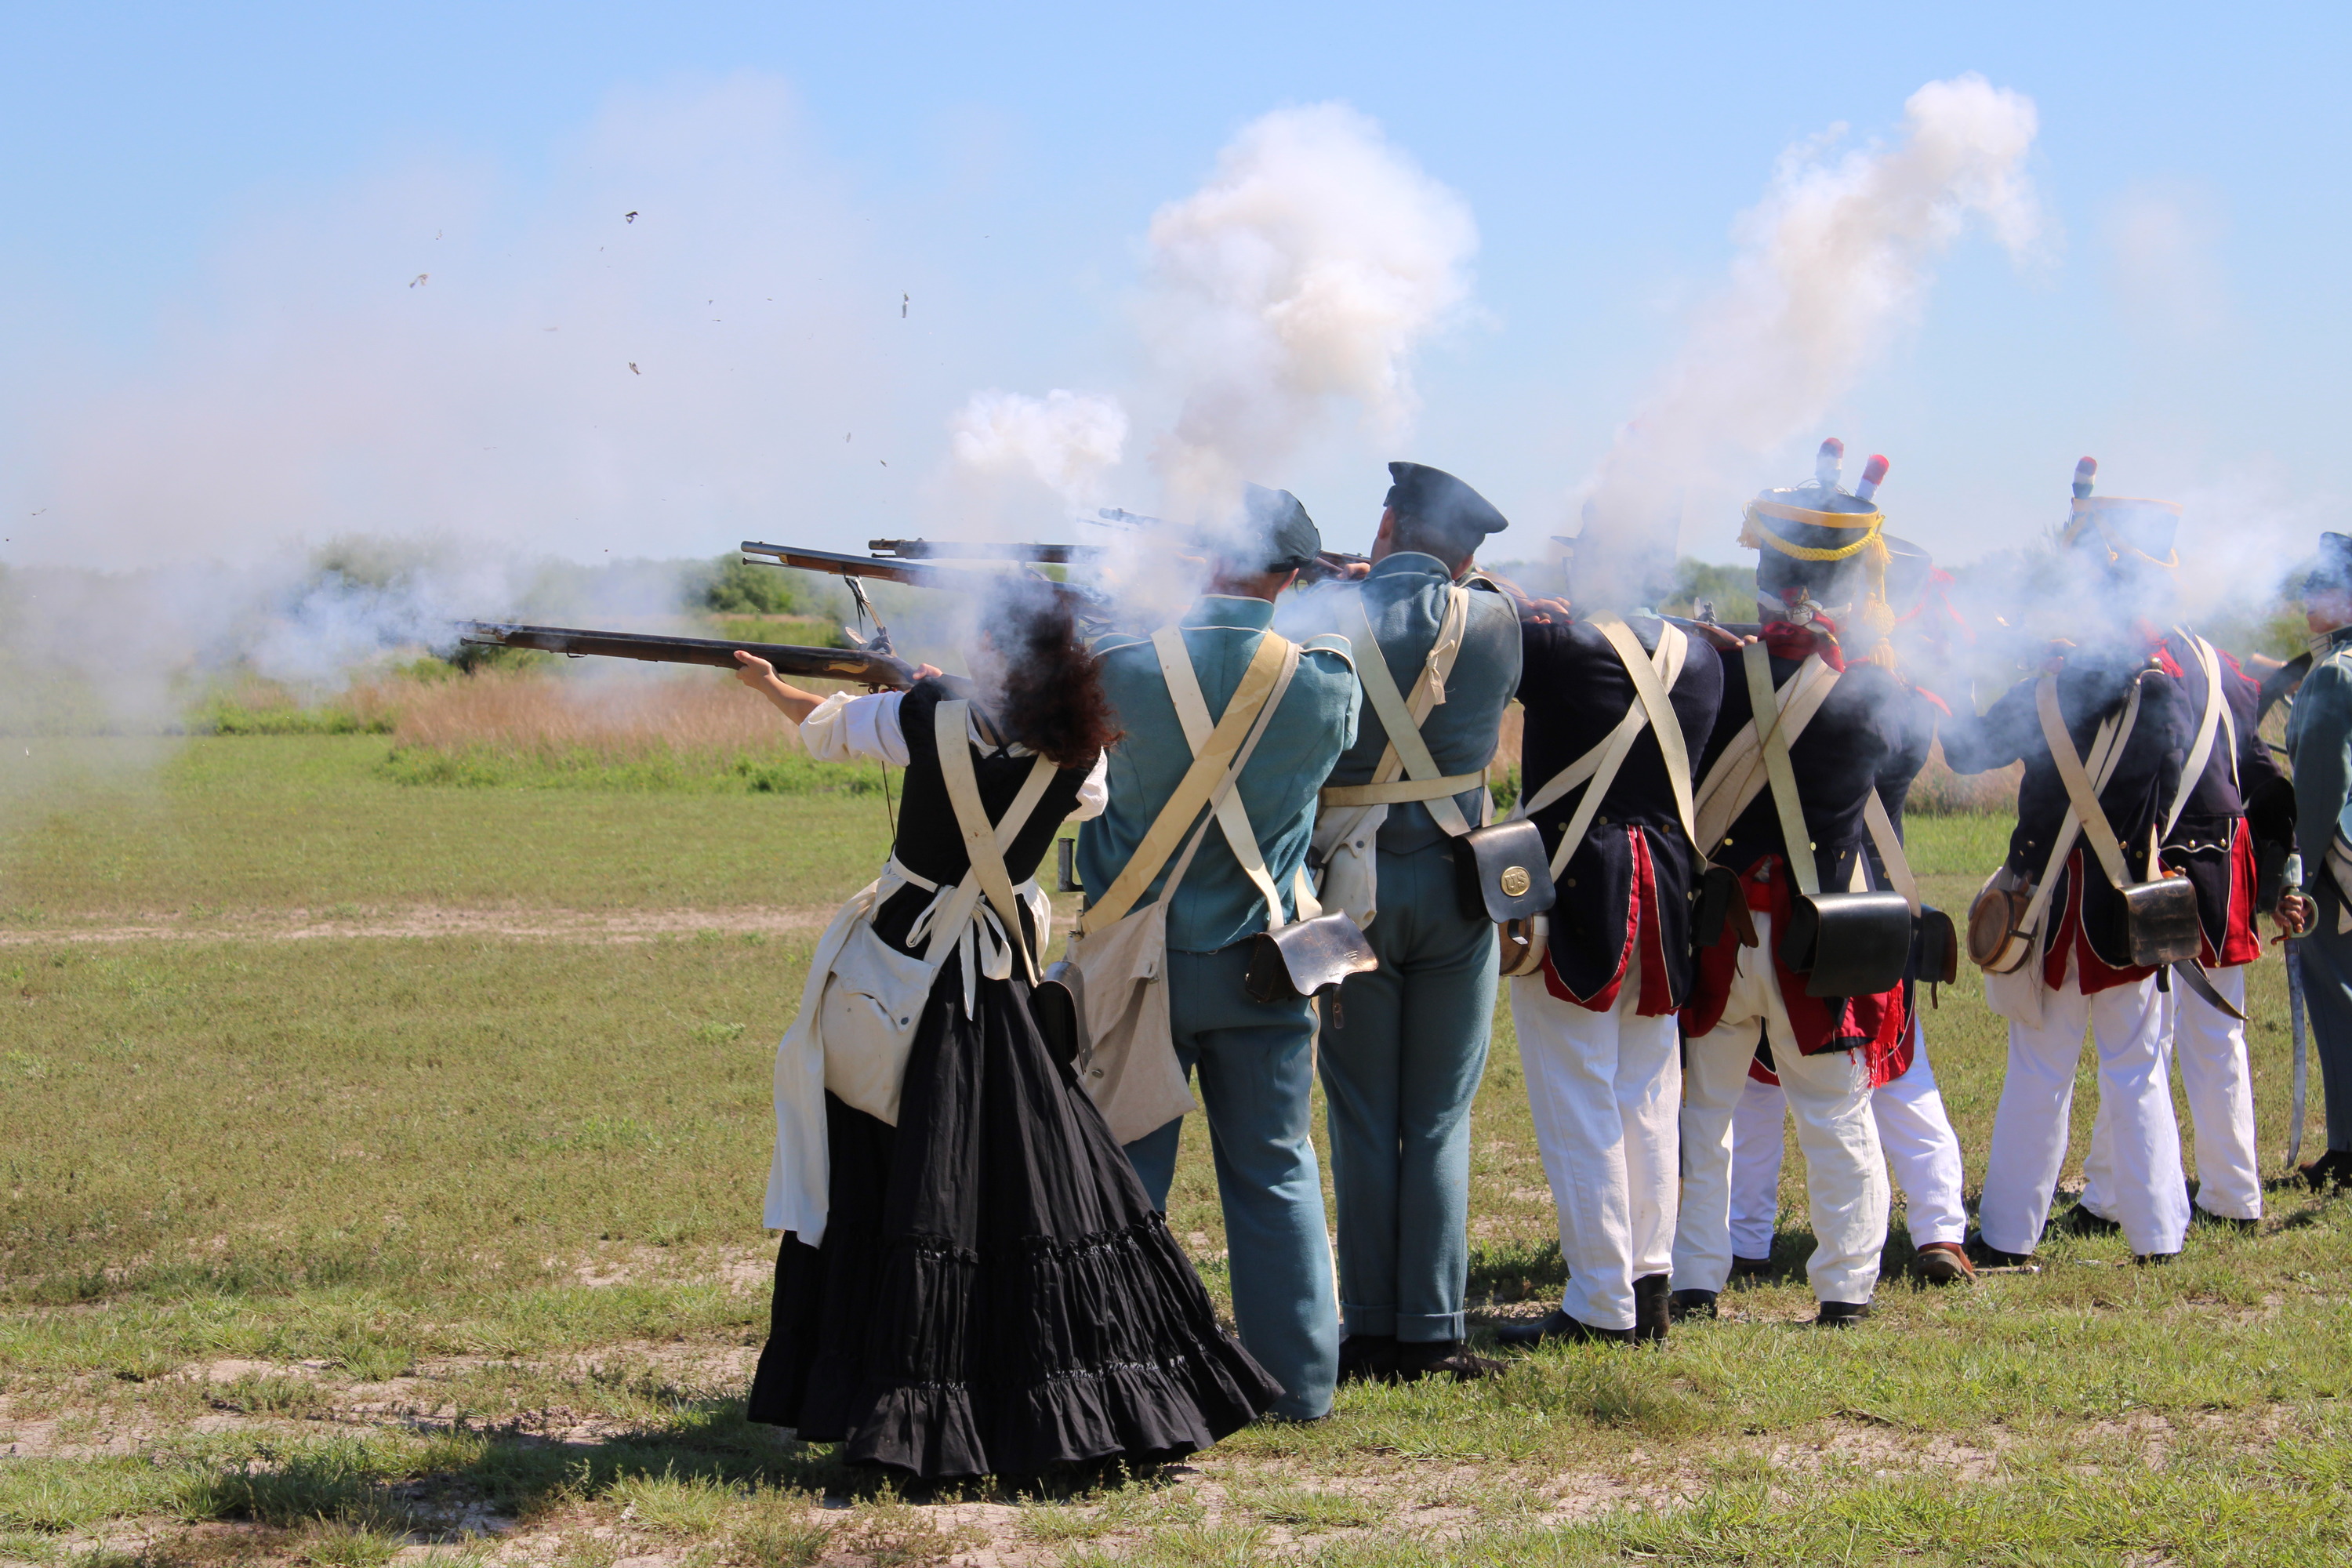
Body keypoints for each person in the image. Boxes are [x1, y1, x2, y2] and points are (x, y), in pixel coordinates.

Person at [737, 590, 1281, 1480]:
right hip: (997, 978)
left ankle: (903, 1402)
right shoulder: (1076, 751)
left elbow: (829, 727)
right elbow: (1086, 803)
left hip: (907, 972)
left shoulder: (930, 709)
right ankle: (1062, 1399)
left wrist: (769, 686)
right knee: (1036, 1187)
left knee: (895, 1178)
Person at [1081, 487, 1360, 1422]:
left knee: (1124, 1178)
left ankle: (1120, 1374)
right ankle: (1301, 1384)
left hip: (1135, 963)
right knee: (1276, 1168)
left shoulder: (1119, 666)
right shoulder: (1327, 677)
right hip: (1264, 955)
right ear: (1291, 578)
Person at [1673, 439, 1929, 1327]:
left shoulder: (1716, 668)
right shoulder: (1875, 691)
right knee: (1835, 1115)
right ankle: (1846, 1288)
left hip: (1724, 924)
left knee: (1704, 1112)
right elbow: (1909, 760)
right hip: (1816, 933)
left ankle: (1696, 1277)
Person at [1945, 460, 2195, 1266]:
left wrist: (1960, 664)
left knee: (2040, 1072)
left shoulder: (2051, 684)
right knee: (2138, 1072)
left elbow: (1967, 749)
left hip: (2055, 905)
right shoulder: (2165, 690)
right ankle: (2158, 1235)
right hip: (2128, 907)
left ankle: (2010, 1233)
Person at [1305, 462, 1521, 1381]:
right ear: (1469, 551)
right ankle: (1432, 1327)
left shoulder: (1321, 614)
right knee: (1437, 1117)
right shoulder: (1500, 621)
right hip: (1457, 882)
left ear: (1386, 524)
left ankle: (1370, 1327)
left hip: (1346, 890)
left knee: (1360, 1113)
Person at [1491, 525, 1723, 1348]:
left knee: (1579, 1097)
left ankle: (1598, 1299)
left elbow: (1494, 624)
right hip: (1662, 888)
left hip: (1579, 885)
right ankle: (1648, 1281)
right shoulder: (1704, 657)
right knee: (1649, 1095)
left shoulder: (1559, 646)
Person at [1724, 533, 1974, 1288]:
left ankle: (1742, 1239)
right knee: (1896, 1076)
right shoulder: (1893, 691)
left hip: (1821, 899)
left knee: (1763, 1090)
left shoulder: (1758, 676)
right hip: (1861, 904)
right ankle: (1939, 1228)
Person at [2072, 477, 2294, 1235]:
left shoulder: (2127, 660)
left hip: (2156, 866)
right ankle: (2215, 1194)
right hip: (2223, 867)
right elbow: (2261, 775)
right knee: (2201, 1040)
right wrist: (2282, 863)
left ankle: (2128, 1195)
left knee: (2144, 1043)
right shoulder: (2217, 661)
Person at [2285, 532, 2352, 1190]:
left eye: (2323, 586)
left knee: (2337, 1001)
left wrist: (2295, 865)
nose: (2310, 599)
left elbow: (2323, 785)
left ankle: (2349, 1148)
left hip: (2340, 866)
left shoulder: (2333, 673)